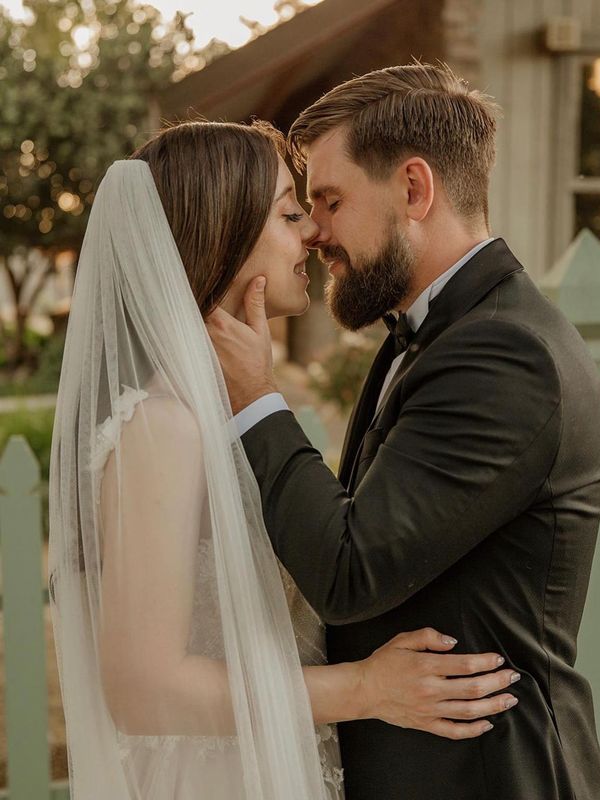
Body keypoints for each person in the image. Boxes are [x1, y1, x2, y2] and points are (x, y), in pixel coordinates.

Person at [48, 120, 518, 800]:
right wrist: (364, 689)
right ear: (222, 233)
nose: (311, 234)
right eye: (288, 212)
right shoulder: (162, 426)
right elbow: (143, 691)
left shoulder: (222, 413)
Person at [208, 64, 600, 800]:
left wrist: (257, 397)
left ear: (414, 189)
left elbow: (348, 569)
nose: (317, 231)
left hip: (485, 779)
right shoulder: (429, 337)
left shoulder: (502, 354)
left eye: (329, 200)